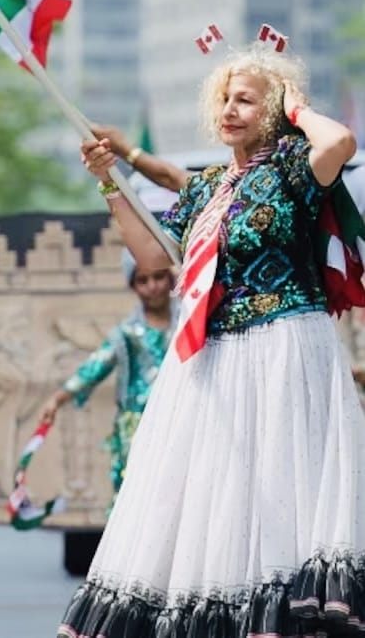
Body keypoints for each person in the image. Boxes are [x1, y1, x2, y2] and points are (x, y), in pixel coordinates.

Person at [58, 45, 365, 638]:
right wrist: (109, 184)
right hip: (215, 354)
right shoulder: (205, 190)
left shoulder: (295, 170)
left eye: (245, 99)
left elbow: (341, 145)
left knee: (280, 485)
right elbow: (151, 255)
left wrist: (296, 107)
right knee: (222, 492)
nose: (229, 109)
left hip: (284, 348)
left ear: (273, 110)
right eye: (224, 98)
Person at [40, 251, 176, 504]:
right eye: (143, 280)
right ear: (133, 286)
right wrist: (59, 398)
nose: (153, 286)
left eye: (159, 277)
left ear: (171, 279)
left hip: (180, 420)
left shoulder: (188, 326)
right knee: (139, 497)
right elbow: (94, 366)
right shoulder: (127, 333)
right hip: (137, 425)